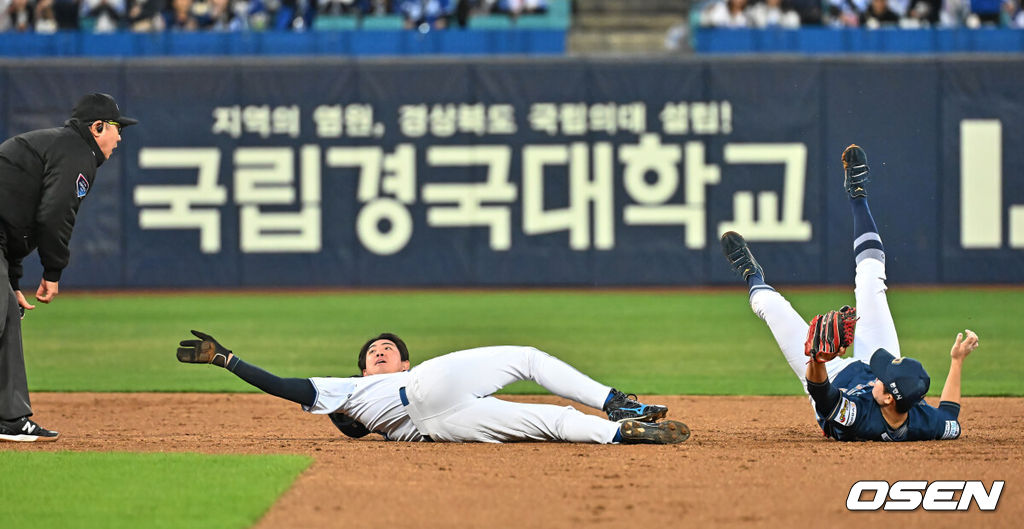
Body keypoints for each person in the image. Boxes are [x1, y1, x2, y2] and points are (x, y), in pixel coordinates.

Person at [720, 144, 980, 442]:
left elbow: (822, 393)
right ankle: (858, 194)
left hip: (830, 376)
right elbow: (949, 418)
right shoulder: (922, 420)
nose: (878, 375)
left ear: (887, 399)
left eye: (883, 379)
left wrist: (817, 357)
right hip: (854, 378)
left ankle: (753, 275)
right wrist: (957, 361)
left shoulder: (857, 419)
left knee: (770, 305)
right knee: (871, 279)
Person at [176, 331, 691, 444]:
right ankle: (618, 419)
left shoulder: (406, 372)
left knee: (538, 391)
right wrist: (228, 360)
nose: (378, 351)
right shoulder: (344, 389)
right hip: (431, 415)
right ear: (361, 370)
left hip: (439, 407)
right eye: (371, 352)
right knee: (535, 390)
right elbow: (286, 386)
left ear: (403, 360)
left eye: (387, 348)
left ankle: (621, 421)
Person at [0, 93, 137, 442]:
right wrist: (52, 272)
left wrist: (13, 279)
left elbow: (16, 217)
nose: (119, 137)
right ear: (97, 126)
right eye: (116, 128)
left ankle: (10, 418)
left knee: (8, 312)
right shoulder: (77, 152)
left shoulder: (61, 147)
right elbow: (54, 216)